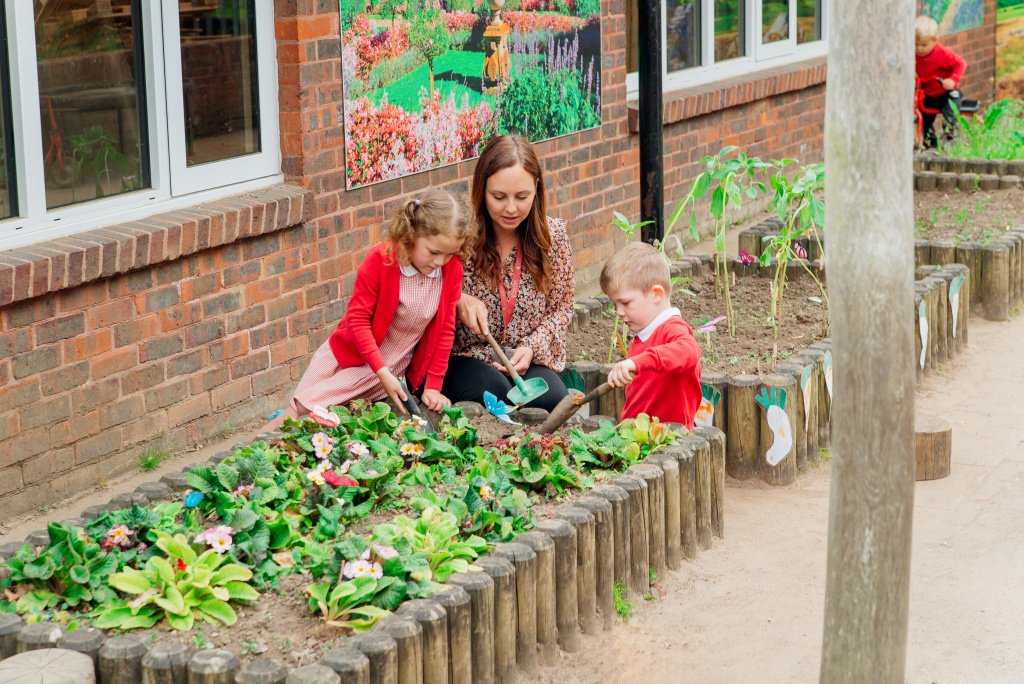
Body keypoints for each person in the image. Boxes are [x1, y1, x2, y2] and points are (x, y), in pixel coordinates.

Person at [263, 189, 476, 431]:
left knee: (305, 407)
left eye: (449, 254)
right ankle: (247, 452)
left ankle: (259, 447)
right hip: (346, 352)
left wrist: (433, 387)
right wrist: (381, 370)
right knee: (298, 407)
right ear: (411, 235)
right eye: (434, 252)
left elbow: (445, 330)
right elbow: (357, 320)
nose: (440, 262)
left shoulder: (450, 271)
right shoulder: (381, 260)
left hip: (382, 367)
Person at [443, 135, 574, 412]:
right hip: (469, 356)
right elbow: (428, 287)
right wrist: (458, 299)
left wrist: (532, 347)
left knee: (552, 399)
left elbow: (562, 308)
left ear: (536, 189)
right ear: (481, 189)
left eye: (522, 196)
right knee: (497, 393)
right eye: (499, 197)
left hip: (525, 358)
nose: (511, 208)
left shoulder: (554, 237)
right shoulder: (460, 236)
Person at [600, 241, 702, 428]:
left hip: (670, 442)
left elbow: (689, 352)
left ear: (656, 294)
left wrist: (636, 362)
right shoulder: (643, 334)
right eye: (615, 305)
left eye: (626, 303)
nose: (618, 312)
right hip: (639, 438)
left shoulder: (673, 329)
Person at [915, 15, 967, 149]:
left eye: (924, 45)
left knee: (950, 115)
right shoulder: (913, 54)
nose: (919, 48)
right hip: (930, 94)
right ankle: (930, 143)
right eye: (916, 44)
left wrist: (953, 79)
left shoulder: (943, 53)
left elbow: (961, 63)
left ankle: (952, 140)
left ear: (935, 40)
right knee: (924, 118)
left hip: (946, 92)